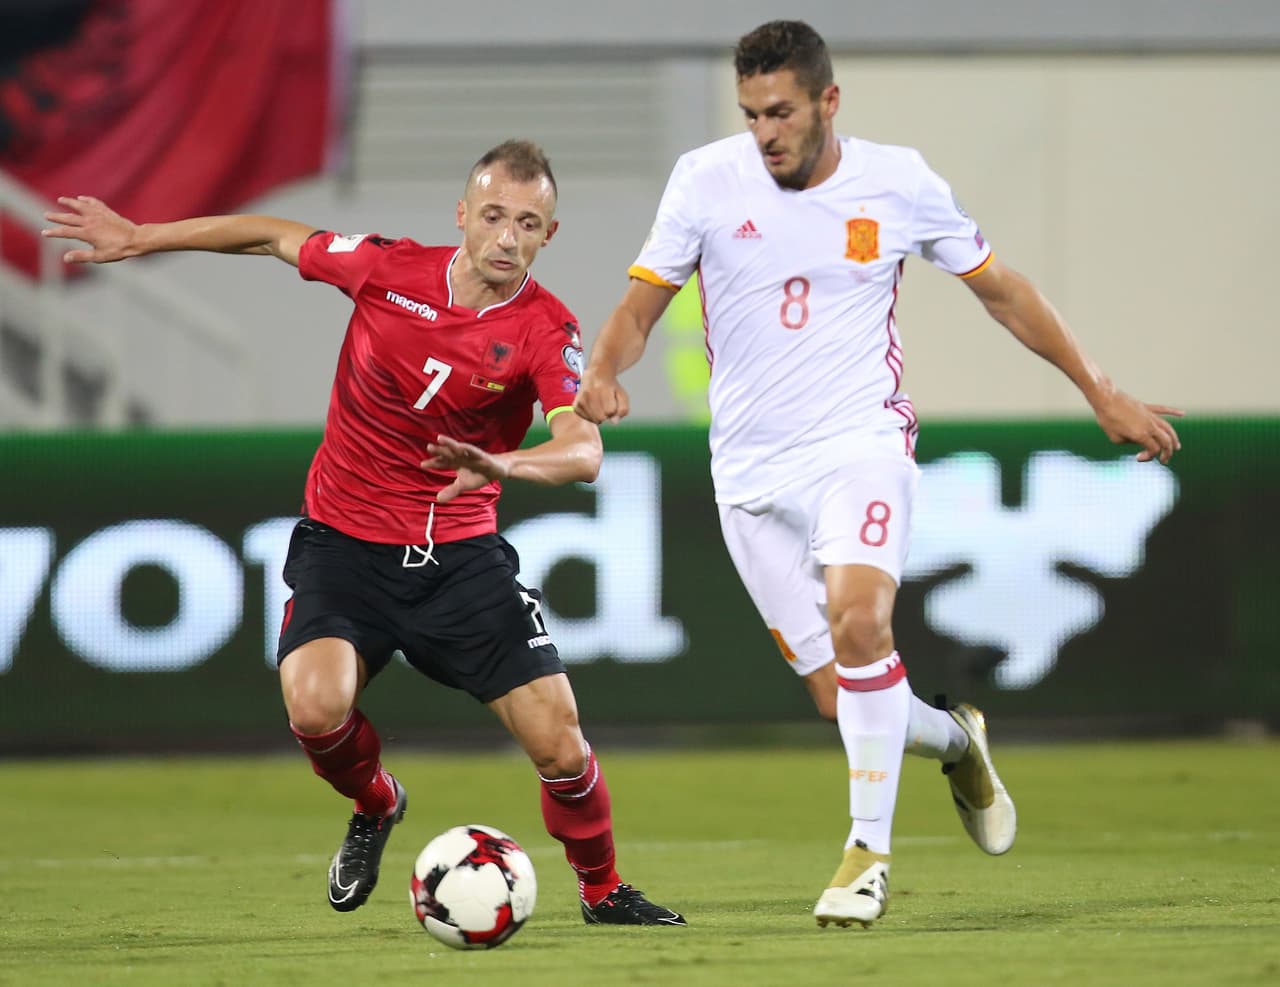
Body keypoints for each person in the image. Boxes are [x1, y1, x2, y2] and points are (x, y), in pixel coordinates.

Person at [574, 21, 1183, 929]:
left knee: (861, 623)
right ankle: (957, 739)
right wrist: (602, 369)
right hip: (749, 475)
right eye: (751, 114)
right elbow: (637, 309)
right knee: (844, 697)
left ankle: (866, 855)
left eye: (781, 112)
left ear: (829, 101)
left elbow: (1003, 290)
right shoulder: (705, 180)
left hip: (860, 446)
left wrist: (1101, 390)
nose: (765, 132)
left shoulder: (898, 181)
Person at [43, 140, 686, 927]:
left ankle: (602, 889)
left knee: (559, 742)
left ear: (549, 234)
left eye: (528, 223)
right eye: (493, 215)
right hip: (344, 546)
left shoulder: (546, 329)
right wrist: (141, 236)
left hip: (460, 559)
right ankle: (376, 801)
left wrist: (502, 463)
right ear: (462, 214)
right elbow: (271, 236)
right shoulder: (388, 268)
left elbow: (583, 452)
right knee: (315, 706)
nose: (507, 237)